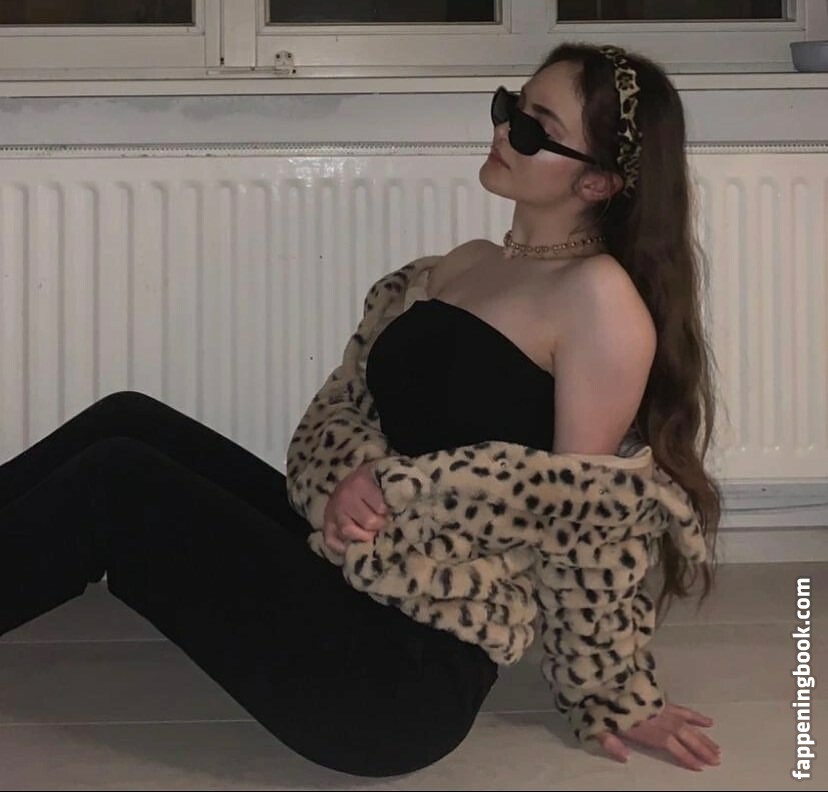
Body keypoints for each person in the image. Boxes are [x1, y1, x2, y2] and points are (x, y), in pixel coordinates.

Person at [0, 42, 722, 778]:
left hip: (401, 666)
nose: (505, 130)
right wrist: (362, 474)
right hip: (348, 564)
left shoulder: (598, 300)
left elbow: (584, 521)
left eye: (536, 127)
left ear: (598, 180)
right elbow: (353, 406)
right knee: (128, 420)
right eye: (509, 107)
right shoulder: (468, 263)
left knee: (116, 481)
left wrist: (614, 695)